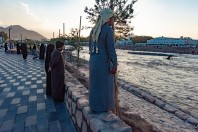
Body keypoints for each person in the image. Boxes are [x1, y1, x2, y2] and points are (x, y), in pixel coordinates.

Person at [88, 8, 117, 113]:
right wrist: (115, 64)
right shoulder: (108, 30)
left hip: (93, 61)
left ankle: (94, 106)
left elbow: (90, 47)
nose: (113, 20)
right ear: (108, 18)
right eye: (113, 18)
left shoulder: (94, 30)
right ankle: (102, 108)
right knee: (104, 86)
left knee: (95, 85)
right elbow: (111, 49)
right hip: (103, 62)